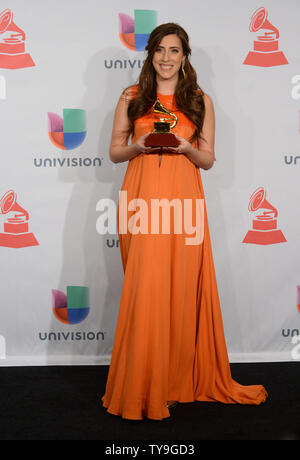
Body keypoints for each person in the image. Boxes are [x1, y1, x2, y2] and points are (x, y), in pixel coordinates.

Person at [101, 23, 267, 421]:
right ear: (150, 54)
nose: (166, 58)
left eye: (174, 51)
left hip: (184, 203)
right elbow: (114, 152)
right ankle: (142, 382)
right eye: (160, 50)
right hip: (141, 202)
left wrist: (189, 147)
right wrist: (138, 146)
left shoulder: (199, 100)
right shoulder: (132, 97)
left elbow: (208, 160)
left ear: (185, 56)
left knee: (178, 288)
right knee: (147, 288)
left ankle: (174, 383)